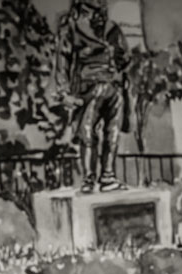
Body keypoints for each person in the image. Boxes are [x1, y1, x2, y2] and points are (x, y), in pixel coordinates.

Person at [55, 0, 131, 194]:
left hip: (113, 87)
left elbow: (125, 56)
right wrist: (64, 92)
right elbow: (63, 60)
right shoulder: (71, 28)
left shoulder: (111, 28)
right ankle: (89, 178)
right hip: (89, 87)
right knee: (87, 134)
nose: (97, 13)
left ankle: (107, 176)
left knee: (111, 134)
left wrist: (117, 68)